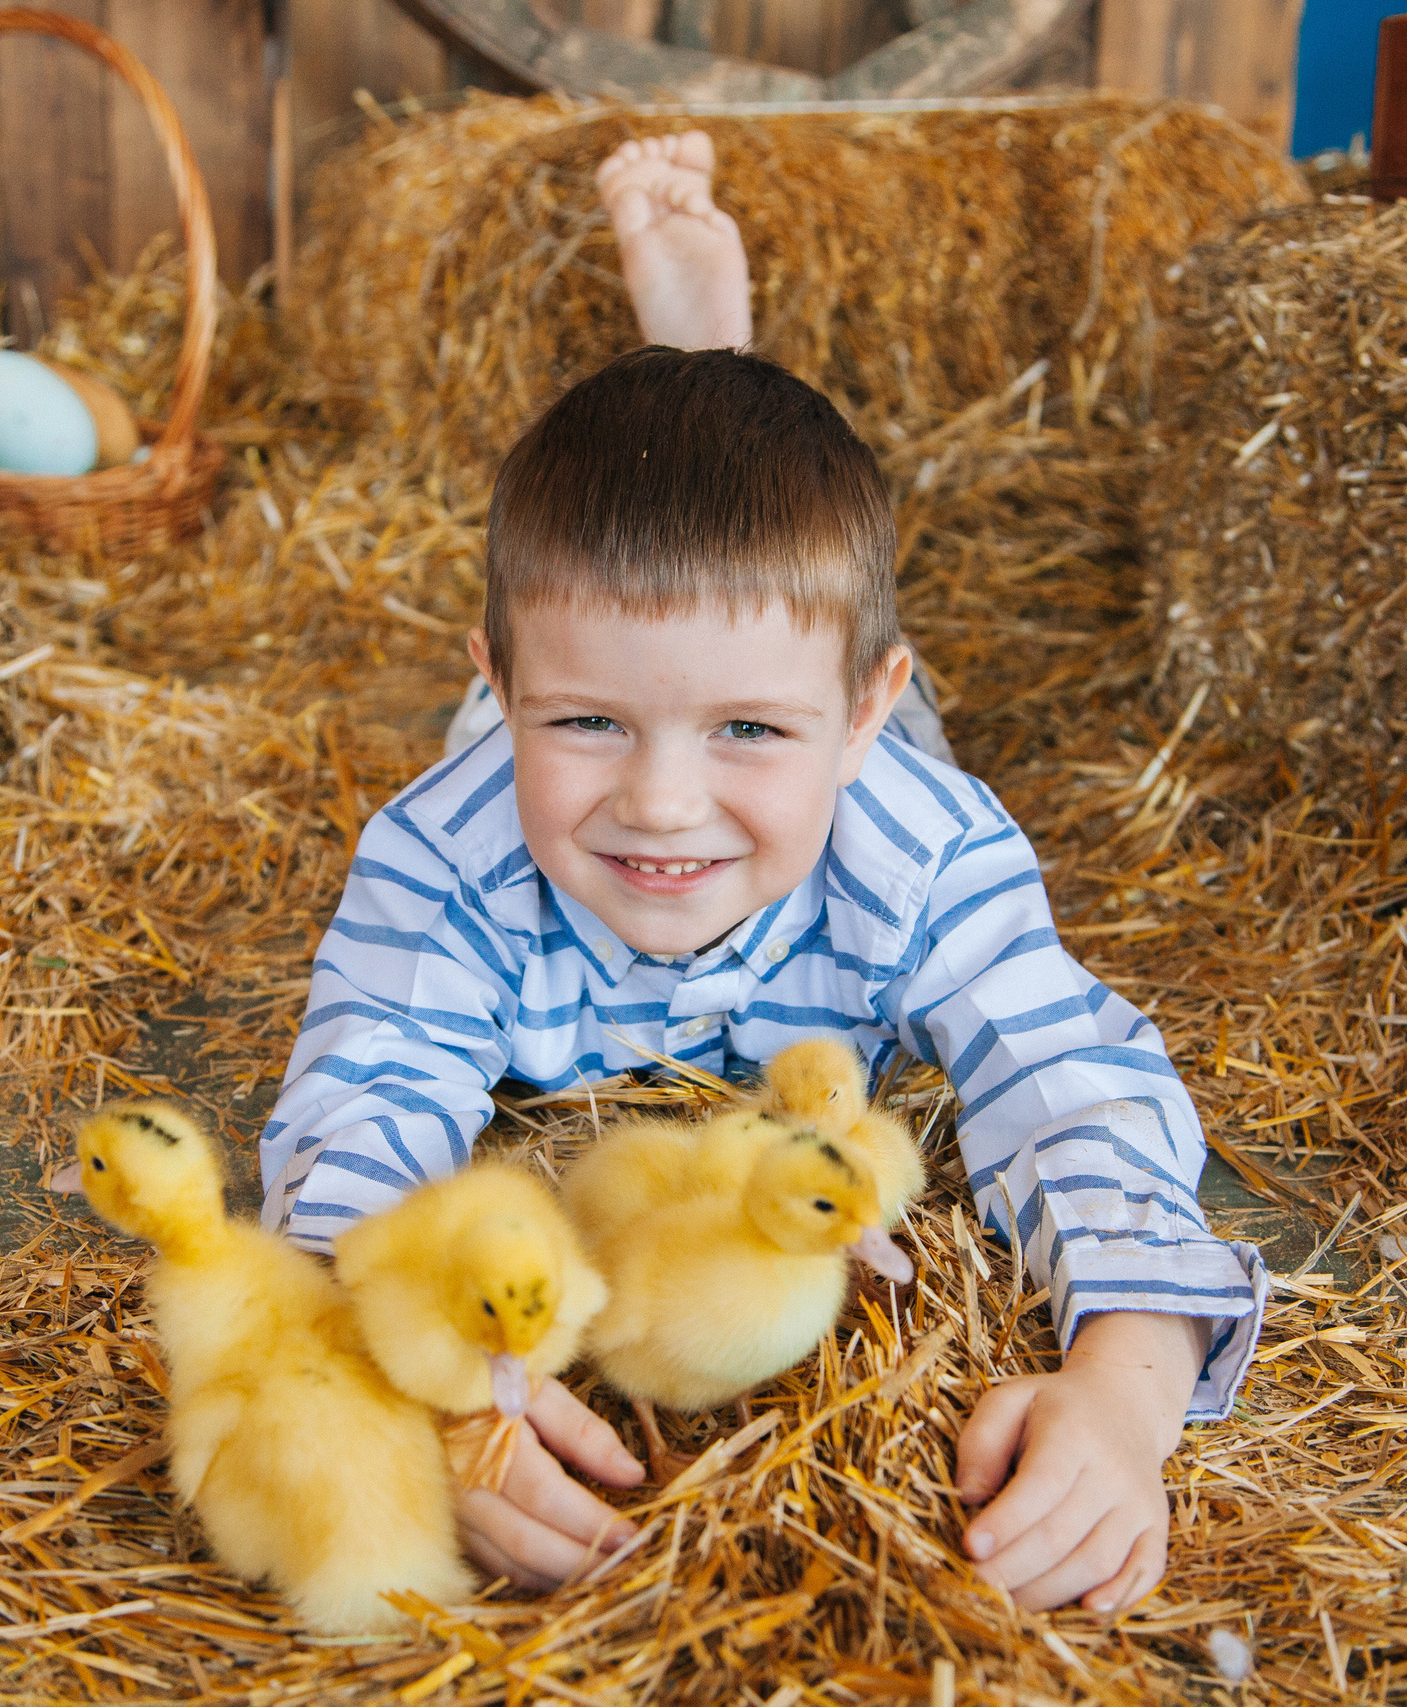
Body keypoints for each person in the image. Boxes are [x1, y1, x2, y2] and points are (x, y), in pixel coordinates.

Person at [259, 130, 1266, 1615]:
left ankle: (706, 362)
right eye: (585, 719)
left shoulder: (919, 836)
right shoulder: (449, 842)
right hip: (594, 731)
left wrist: (1129, 1387)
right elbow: (366, 1089)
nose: (664, 808)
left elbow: (1075, 1084)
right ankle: (685, 394)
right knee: (656, 673)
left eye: (747, 729)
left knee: (768, 643)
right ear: (502, 682)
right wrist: (411, 1377)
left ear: (855, 720)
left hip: (848, 775)